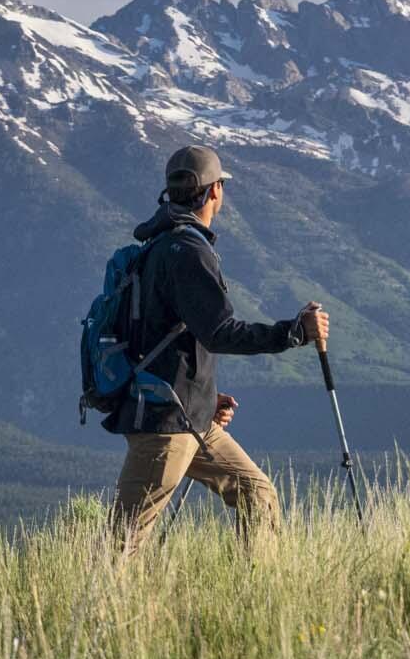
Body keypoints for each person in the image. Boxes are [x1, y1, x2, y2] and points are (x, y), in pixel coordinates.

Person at [105, 144, 329, 557]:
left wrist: (204, 396)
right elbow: (221, 333)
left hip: (184, 414)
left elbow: (165, 337)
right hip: (165, 424)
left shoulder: (160, 247)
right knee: (123, 544)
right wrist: (294, 332)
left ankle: (260, 603)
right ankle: (95, 617)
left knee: (256, 494)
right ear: (213, 193)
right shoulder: (188, 251)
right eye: (221, 185)